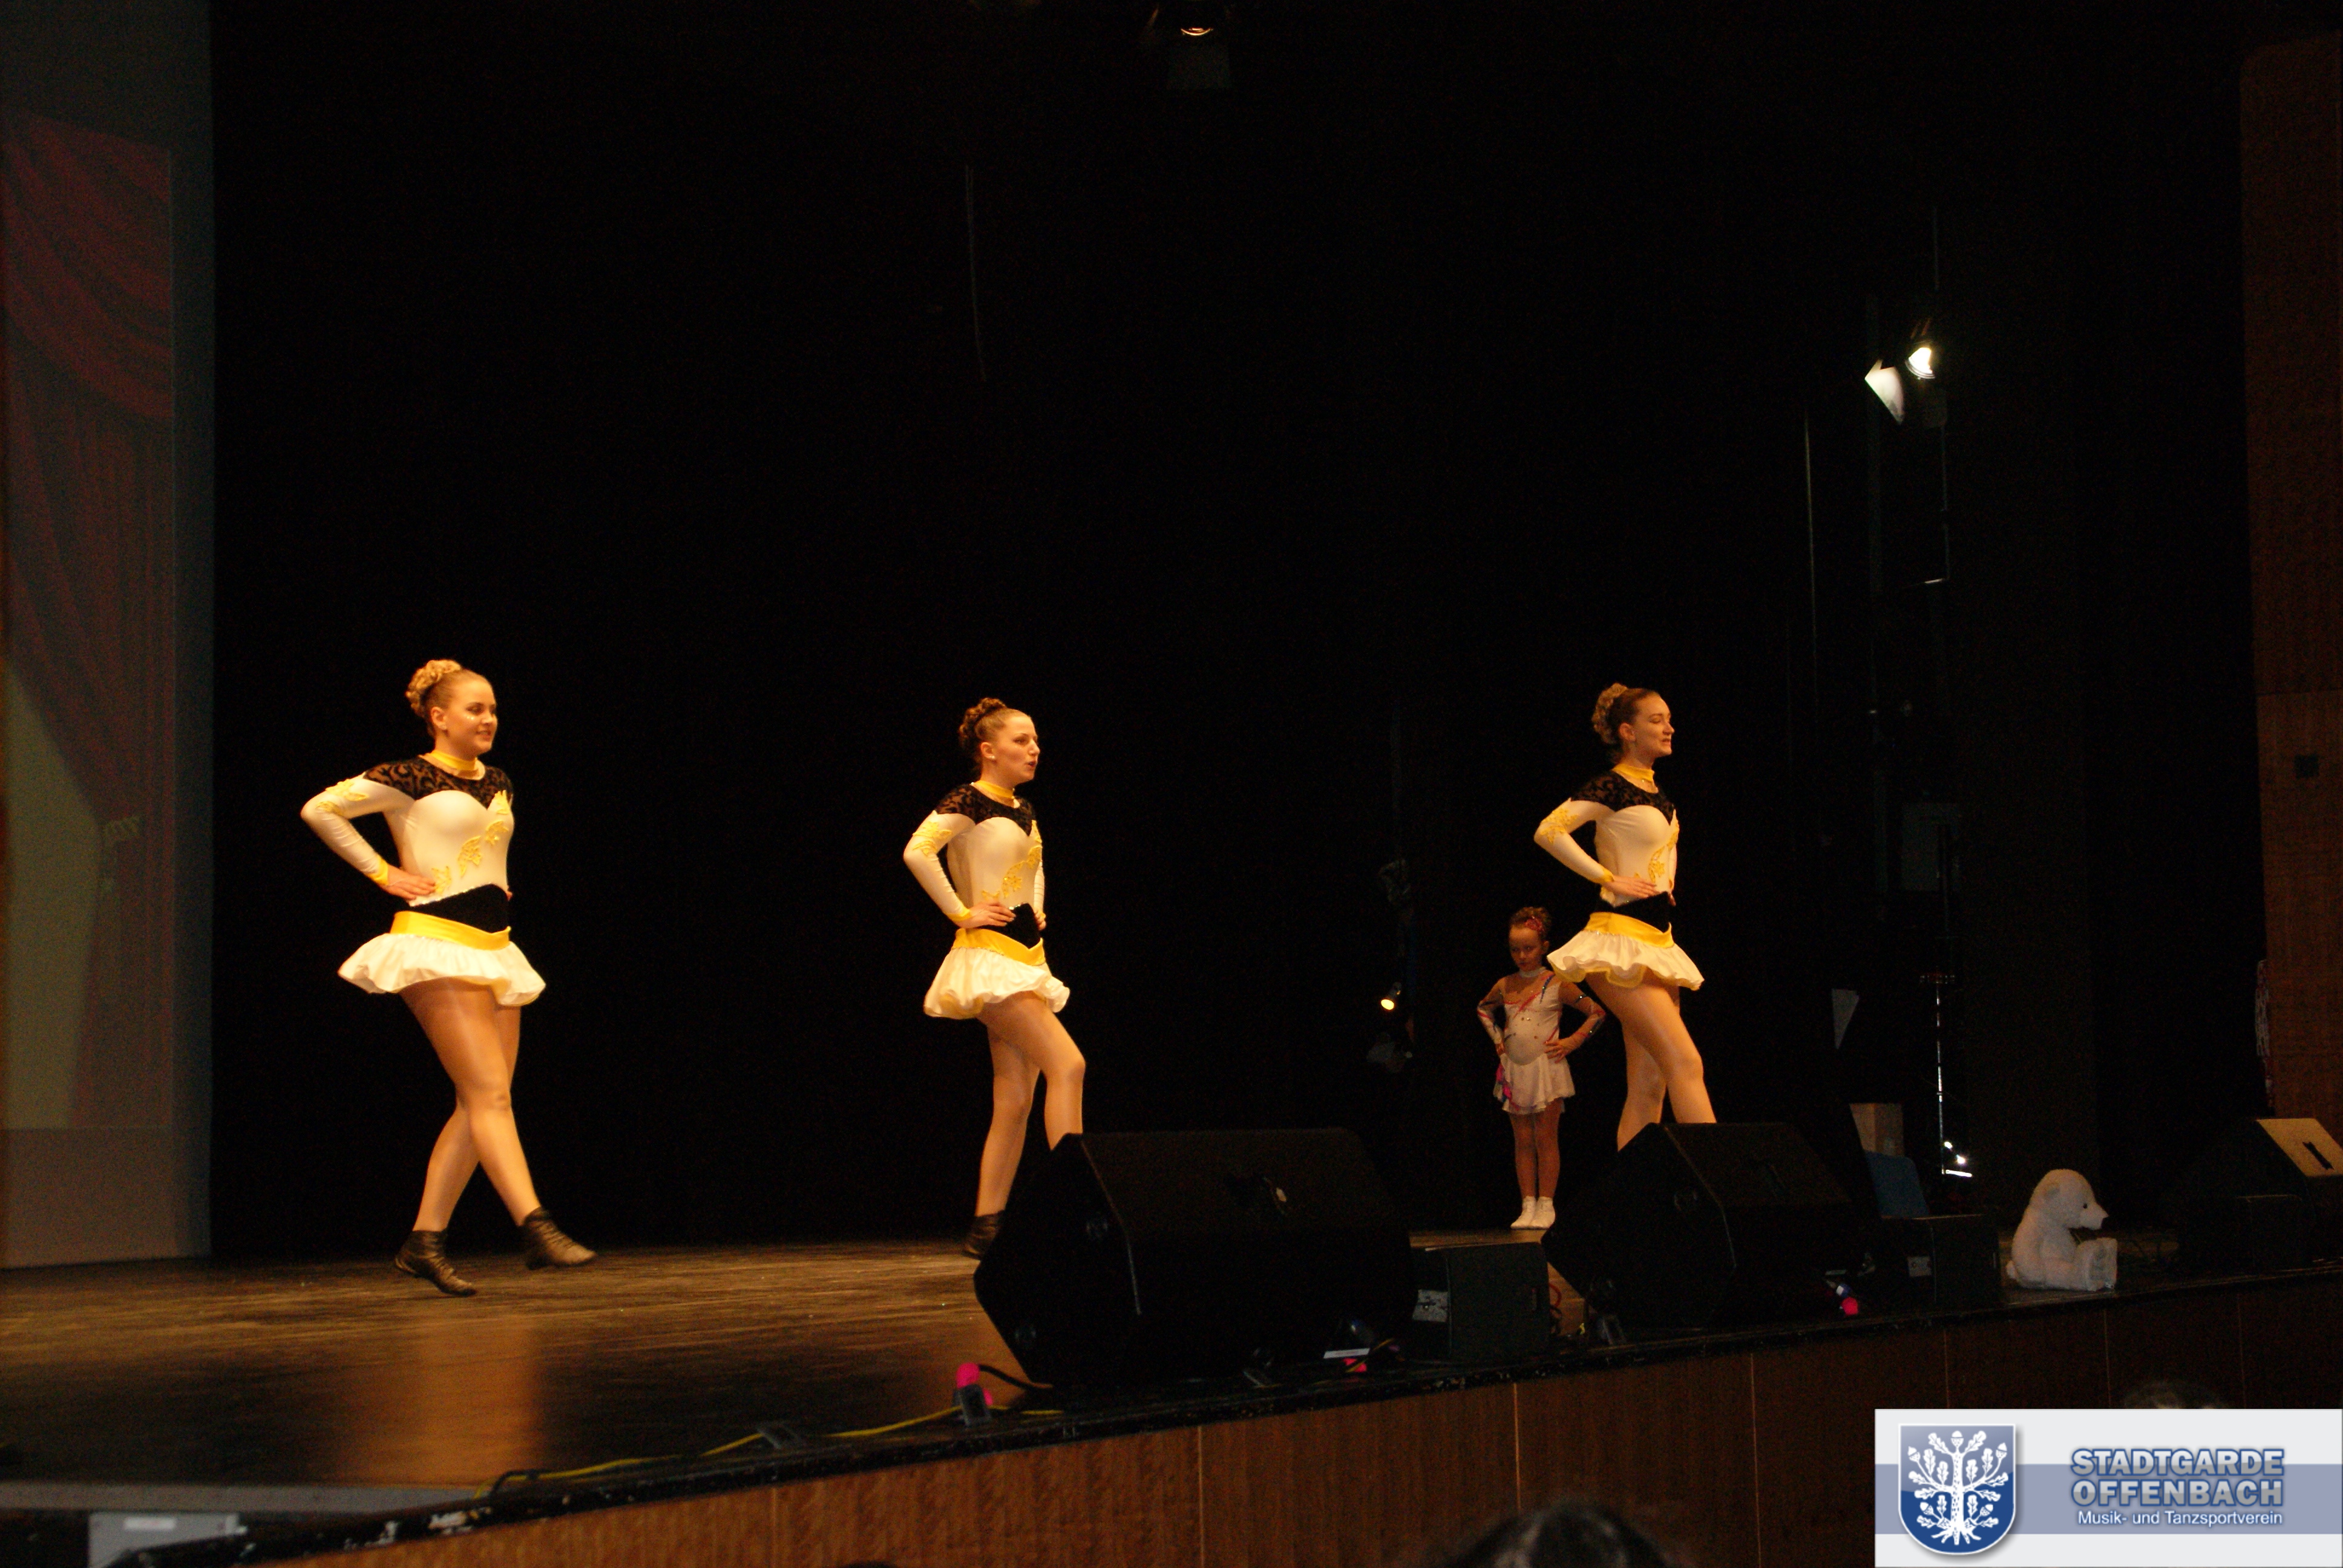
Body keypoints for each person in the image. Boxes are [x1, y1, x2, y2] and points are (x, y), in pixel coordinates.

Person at [299, 659, 594, 1296]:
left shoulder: (500, 780)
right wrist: (384, 874)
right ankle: (535, 1225)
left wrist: (493, 886)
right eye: (474, 709)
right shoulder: (407, 777)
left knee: (481, 1101)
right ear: (439, 717)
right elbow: (320, 810)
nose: (488, 719)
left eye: (492, 709)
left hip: (494, 947)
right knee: (489, 1096)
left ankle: (423, 1242)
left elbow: (483, 852)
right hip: (434, 943)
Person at [902, 698, 1085, 1259]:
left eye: (1035, 740)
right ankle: (1080, 1207)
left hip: (1026, 958)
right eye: (1021, 740)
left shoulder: (1023, 808)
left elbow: (1034, 865)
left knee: (1014, 1097)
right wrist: (961, 913)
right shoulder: (969, 801)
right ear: (988, 750)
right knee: (1068, 1065)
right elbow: (918, 852)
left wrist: (1037, 907)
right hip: (988, 959)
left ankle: (987, 1225)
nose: (1034, 749)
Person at [1533, 684, 1715, 1149]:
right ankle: (1720, 1177)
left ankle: (1637, 1190)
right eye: (1656, 720)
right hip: (1618, 941)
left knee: (1650, 1085)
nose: (1669, 728)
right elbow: (1550, 831)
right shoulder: (1611, 786)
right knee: (1685, 1063)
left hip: (1657, 942)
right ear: (1628, 732)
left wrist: (1666, 879)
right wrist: (1607, 878)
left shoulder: (1659, 794)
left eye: (1669, 719)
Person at [1475, 907, 1604, 1229]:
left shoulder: (1557, 983)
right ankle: (1527, 1205)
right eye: (1515, 949)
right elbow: (1483, 1009)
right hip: (1515, 1070)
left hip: (1546, 1069)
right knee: (1522, 1141)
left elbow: (1597, 1013)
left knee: (1545, 1138)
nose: (1522, 956)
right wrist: (1497, 1040)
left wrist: (1572, 1041)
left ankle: (1547, 1204)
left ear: (1545, 947)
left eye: (1529, 948)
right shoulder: (1506, 984)